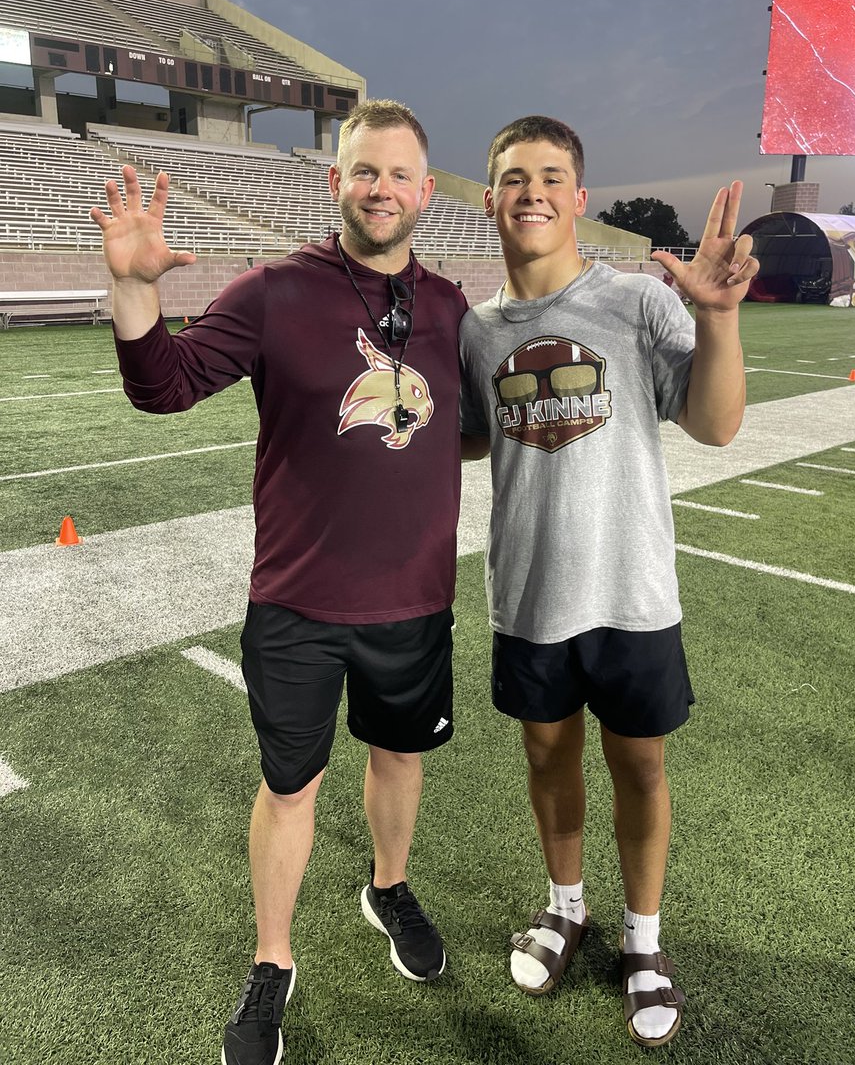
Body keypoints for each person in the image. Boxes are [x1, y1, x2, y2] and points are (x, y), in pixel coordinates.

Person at [90, 100, 468, 1065]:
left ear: (427, 193)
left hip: (416, 600)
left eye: (399, 175)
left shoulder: (454, 307)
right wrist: (134, 292)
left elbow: (467, 430)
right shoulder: (274, 291)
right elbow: (161, 385)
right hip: (297, 602)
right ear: (333, 181)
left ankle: (388, 887)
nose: (381, 189)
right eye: (364, 171)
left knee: (400, 759)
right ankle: (272, 962)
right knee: (290, 784)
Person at [459, 116, 758, 1049]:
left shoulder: (636, 303)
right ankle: (565, 907)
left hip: (630, 589)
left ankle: (643, 941)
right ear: (490, 199)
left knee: (640, 765)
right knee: (548, 759)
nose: (533, 192)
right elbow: (465, 435)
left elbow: (716, 426)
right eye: (514, 177)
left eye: (552, 176)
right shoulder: (475, 331)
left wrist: (717, 316)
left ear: (580, 197)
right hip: (532, 594)